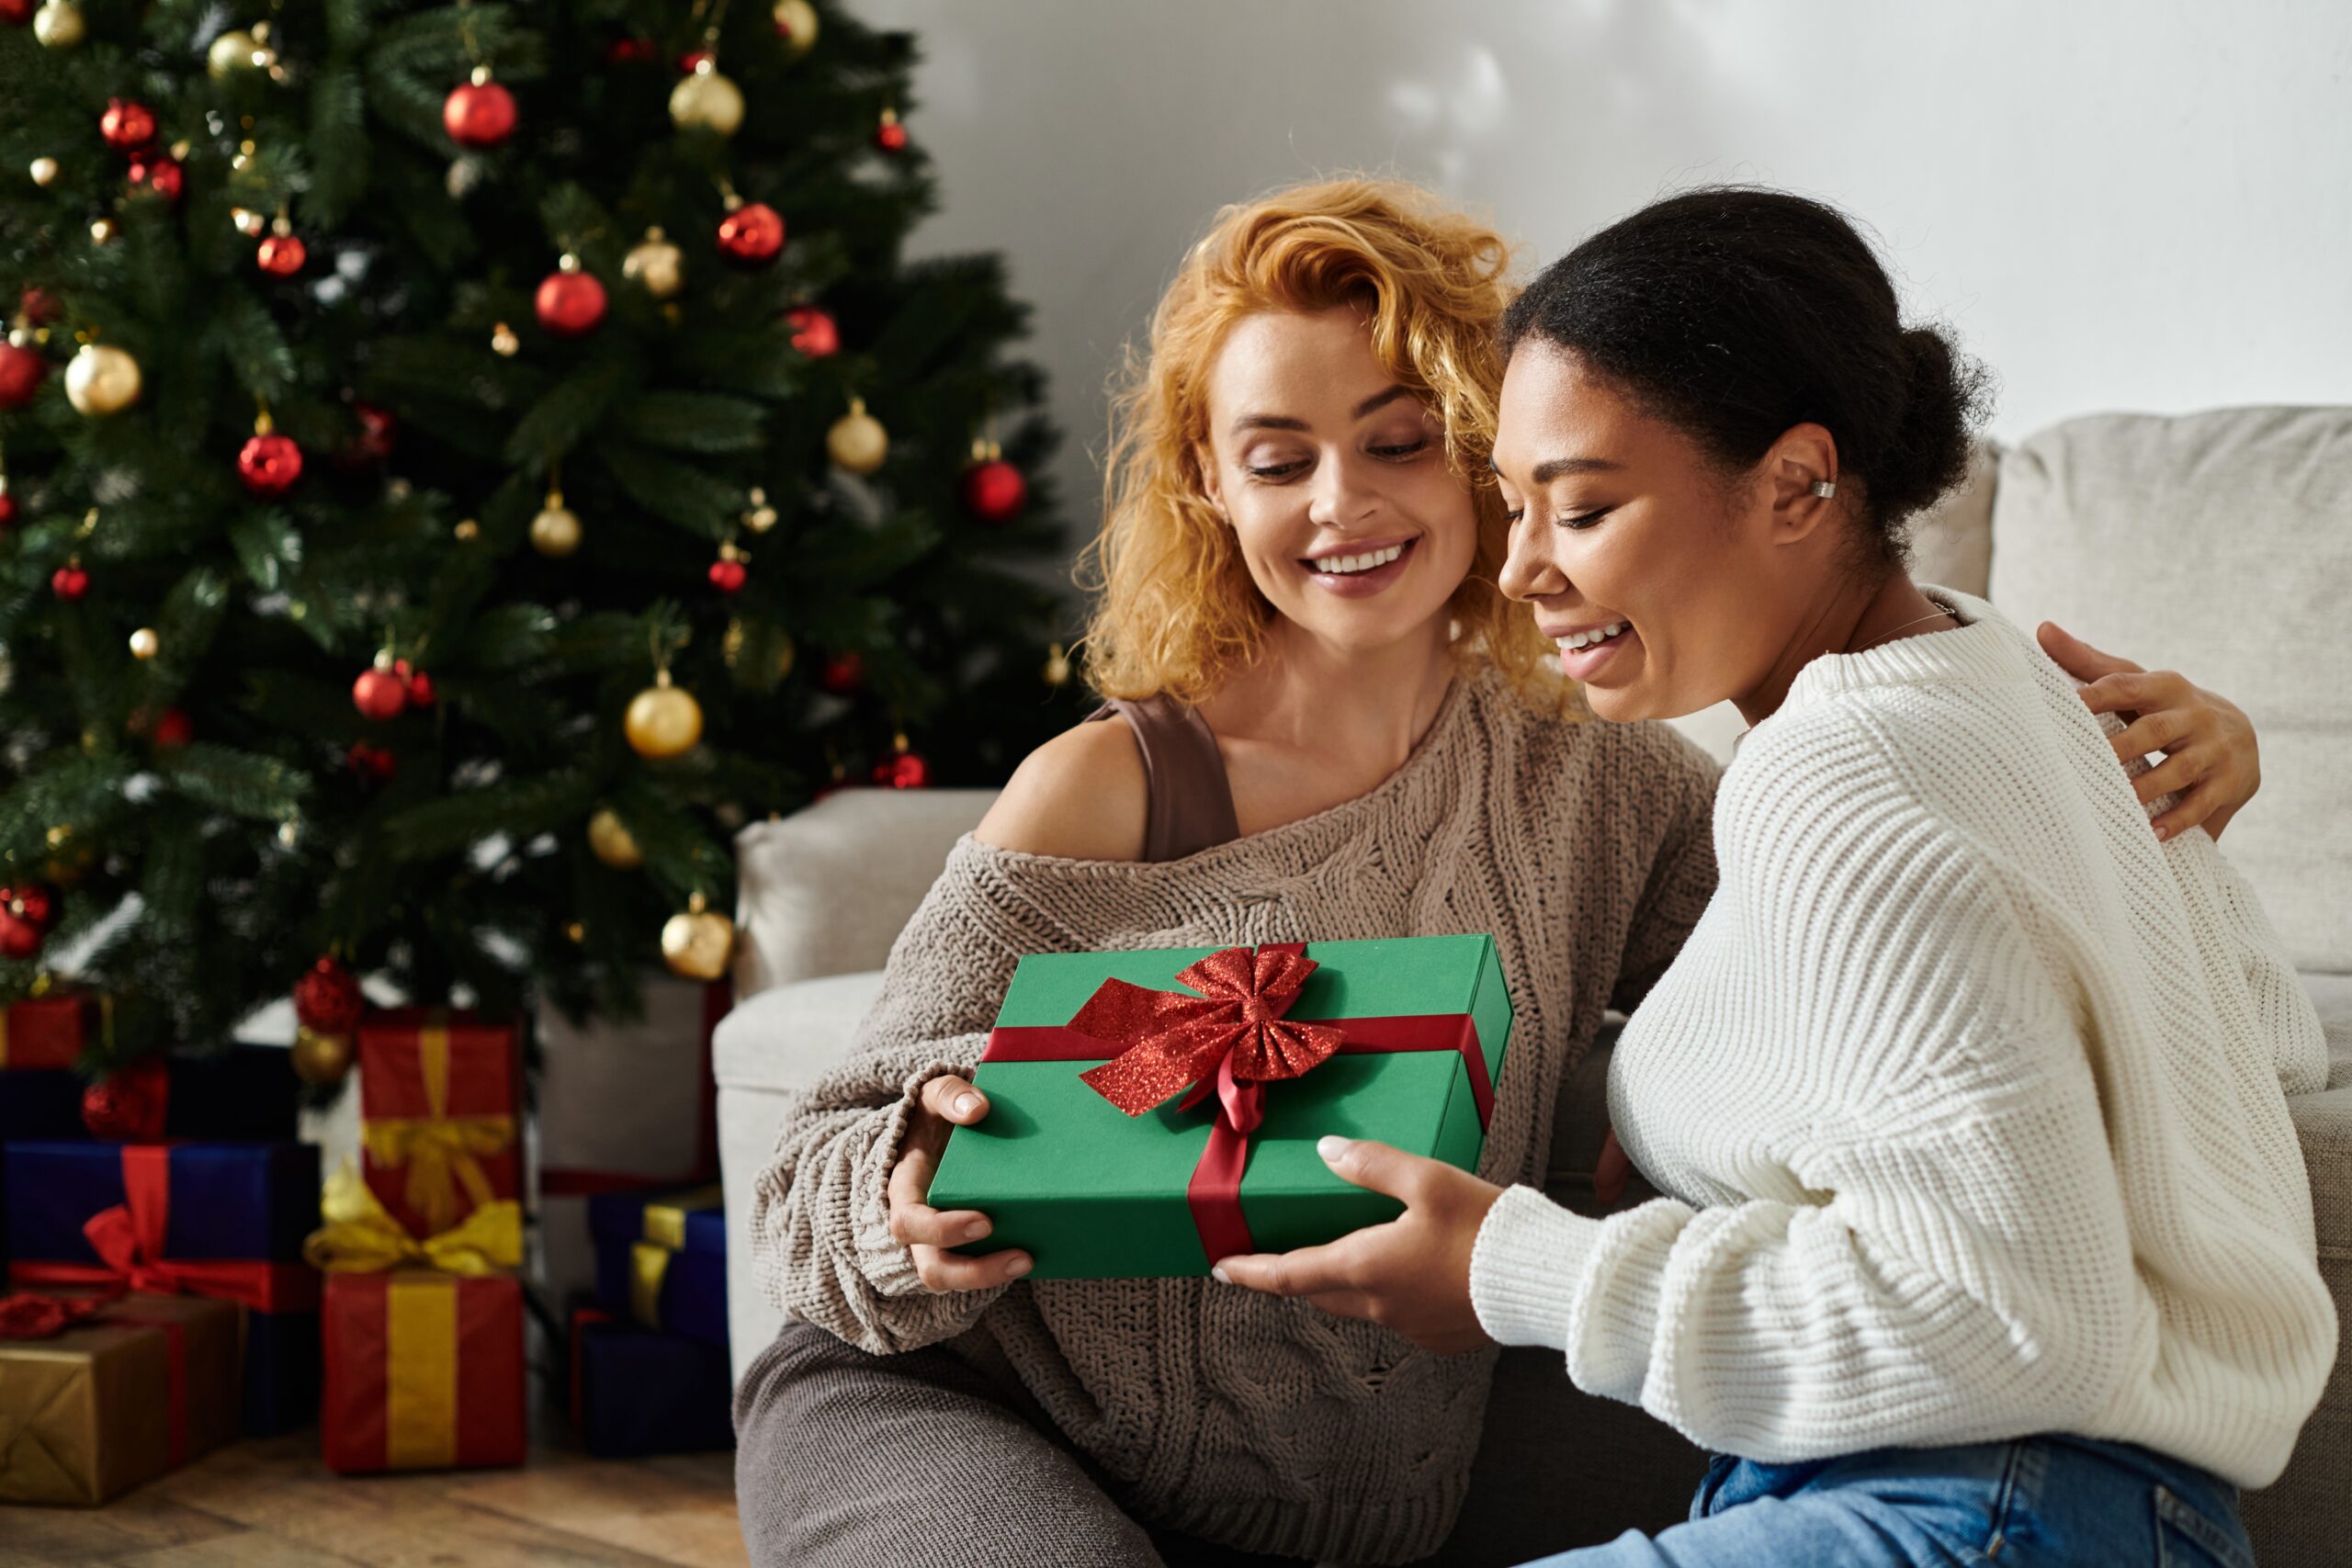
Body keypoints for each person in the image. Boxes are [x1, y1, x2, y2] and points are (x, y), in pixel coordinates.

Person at [736, 180, 2270, 1568]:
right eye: (1280, 462)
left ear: (1485, 458)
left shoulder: (1599, 773)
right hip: (968, 1411)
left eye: (1399, 442)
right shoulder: (1110, 786)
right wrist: (905, 1204)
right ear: (1214, 491)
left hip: (1339, 1500)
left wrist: (2164, 789)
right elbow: (813, 1176)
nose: (1342, 504)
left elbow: (1858, 988)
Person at [1215, 188, 2334, 1566]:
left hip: (1977, 1512)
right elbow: (2264, 1057)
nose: (1521, 571)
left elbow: (2014, 1318)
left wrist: (1518, 1270)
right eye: (1514, 508)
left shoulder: (1839, 769)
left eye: (1582, 509)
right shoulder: (2013, 681)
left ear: (1799, 482)